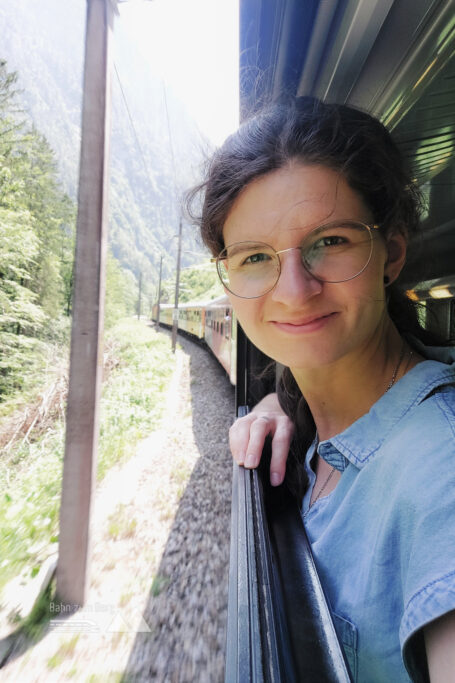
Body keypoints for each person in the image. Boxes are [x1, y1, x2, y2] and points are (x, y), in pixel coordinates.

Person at [190, 97, 455, 682]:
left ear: (392, 253)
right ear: (230, 280)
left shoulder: (442, 467)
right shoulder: (317, 416)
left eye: (331, 241)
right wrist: (276, 404)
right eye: (255, 256)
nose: (293, 290)